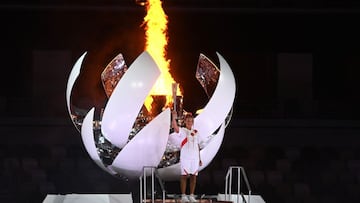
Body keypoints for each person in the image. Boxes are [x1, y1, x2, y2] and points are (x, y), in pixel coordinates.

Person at [170, 110, 202, 203]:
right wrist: (174, 117)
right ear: (185, 121)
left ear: (193, 122)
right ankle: (183, 196)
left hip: (195, 157)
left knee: (193, 176)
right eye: (188, 121)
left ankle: (191, 195)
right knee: (184, 176)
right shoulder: (182, 131)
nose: (189, 122)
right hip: (185, 157)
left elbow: (198, 146)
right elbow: (175, 127)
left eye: (191, 121)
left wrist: (200, 159)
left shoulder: (196, 132)